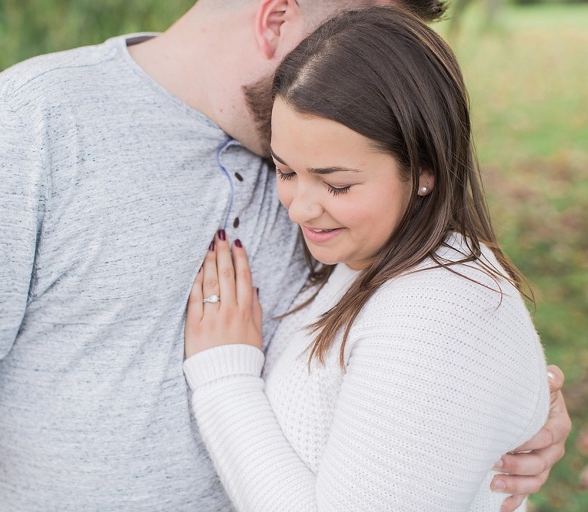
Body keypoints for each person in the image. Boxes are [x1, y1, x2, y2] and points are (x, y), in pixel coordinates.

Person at [0, 1, 568, 511]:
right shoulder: (29, 126)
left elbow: (423, 315)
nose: (369, 75)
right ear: (277, 17)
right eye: (356, 34)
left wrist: (514, 410)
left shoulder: (336, 170)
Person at [183, 7, 562, 511]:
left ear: (424, 168)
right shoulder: (367, 260)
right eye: (287, 171)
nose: (298, 208)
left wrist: (224, 377)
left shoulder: (442, 311)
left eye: (337, 184)